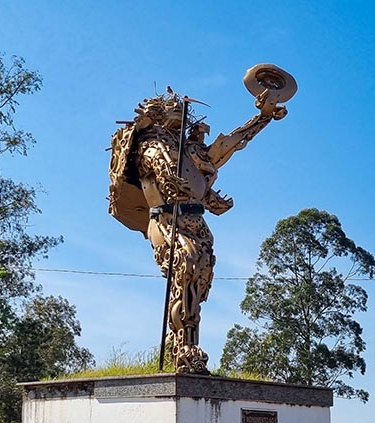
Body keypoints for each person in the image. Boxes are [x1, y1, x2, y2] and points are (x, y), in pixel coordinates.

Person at [109, 84, 290, 373]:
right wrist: (176, 178)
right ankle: (185, 348)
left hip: (196, 221)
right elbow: (165, 173)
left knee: (200, 277)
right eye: (173, 110)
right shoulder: (150, 144)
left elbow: (230, 144)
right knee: (187, 263)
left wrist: (263, 117)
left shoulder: (191, 152)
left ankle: (178, 340)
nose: (180, 114)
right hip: (166, 220)